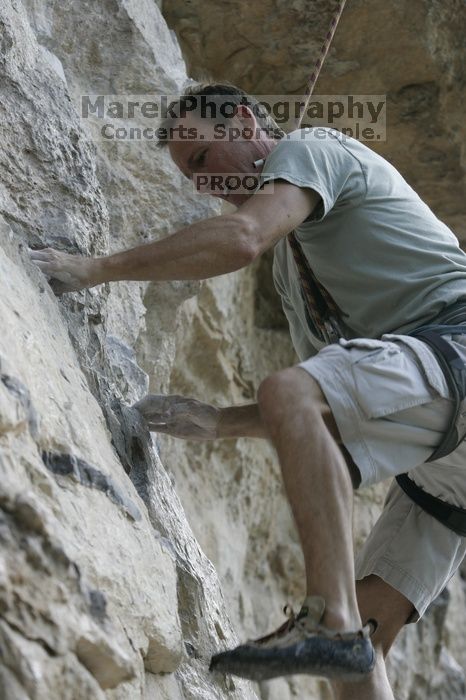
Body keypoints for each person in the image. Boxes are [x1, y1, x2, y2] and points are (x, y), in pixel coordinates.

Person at [30, 83, 466, 700]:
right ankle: (340, 628)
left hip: (458, 347)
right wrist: (216, 420)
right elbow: (326, 412)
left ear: (239, 122)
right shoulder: (292, 272)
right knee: (364, 648)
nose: (203, 184)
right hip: (443, 466)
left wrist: (97, 268)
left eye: (203, 159)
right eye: (191, 176)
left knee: (343, 626)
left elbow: (241, 238)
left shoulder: (312, 147)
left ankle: (327, 619)